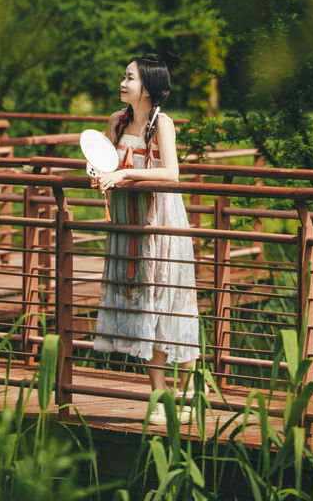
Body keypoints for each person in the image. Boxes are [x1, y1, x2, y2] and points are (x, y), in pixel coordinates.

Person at [92, 54, 199, 420]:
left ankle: (185, 391)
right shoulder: (116, 122)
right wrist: (98, 173)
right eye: (124, 77)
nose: (123, 83)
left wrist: (122, 176)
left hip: (159, 223)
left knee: (169, 302)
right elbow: (104, 162)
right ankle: (160, 395)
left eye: (130, 78)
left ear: (149, 87)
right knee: (143, 305)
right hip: (127, 224)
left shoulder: (162, 124)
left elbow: (171, 174)